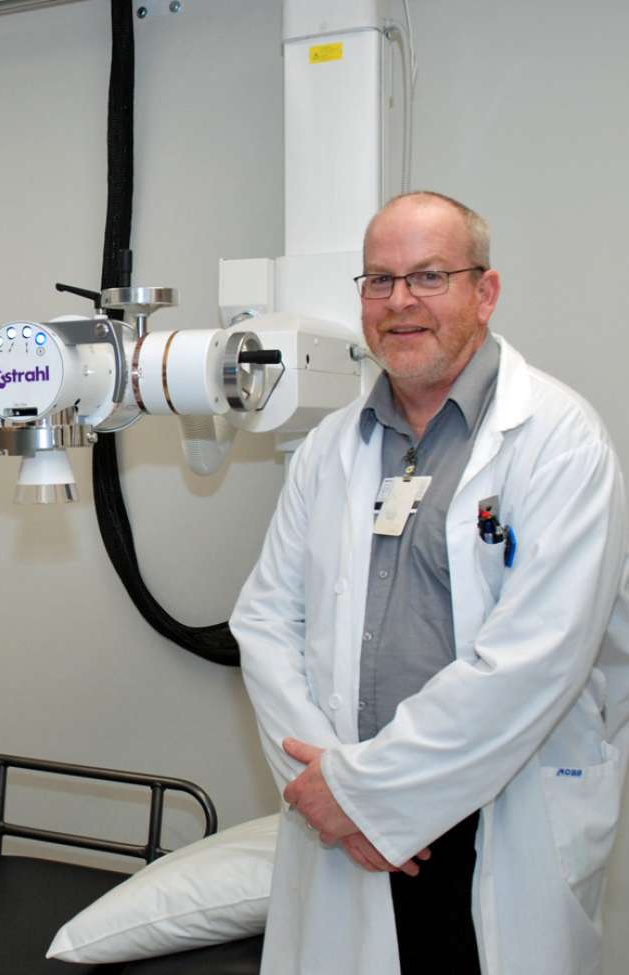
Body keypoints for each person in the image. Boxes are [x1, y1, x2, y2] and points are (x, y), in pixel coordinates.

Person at [232, 192, 629, 974]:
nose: (400, 301)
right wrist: (325, 791)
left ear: (485, 292)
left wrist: (369, 794)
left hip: (495, 826)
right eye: (379, 280)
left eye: (428, 276)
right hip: (345, 828)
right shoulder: (329, 449)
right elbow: (265, 622)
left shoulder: (559, 440)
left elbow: (533, 662)